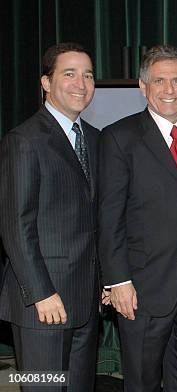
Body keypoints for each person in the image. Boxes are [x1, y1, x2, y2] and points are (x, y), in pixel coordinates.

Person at [98, 44, 177, 391]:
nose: (169, 90)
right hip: (142, 289)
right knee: (142, 382)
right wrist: (117, 280)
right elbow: (109, 216)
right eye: (159, 81)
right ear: (143, 86)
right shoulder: (118, 138)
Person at [0, 42, 100, 391]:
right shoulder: (24, 140)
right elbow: (16, 224)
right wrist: (41, 292)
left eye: (88, 75)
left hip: (85, 303)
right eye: (69, 74)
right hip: (42, 305)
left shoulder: (95, 139)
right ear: (46, 82)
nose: (81, 83)